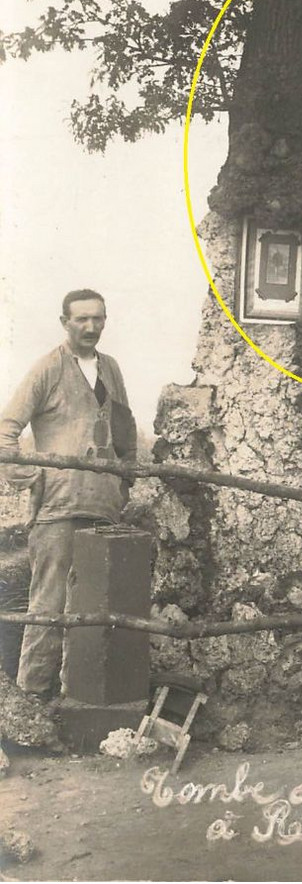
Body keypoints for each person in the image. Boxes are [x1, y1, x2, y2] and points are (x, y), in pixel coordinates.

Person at [0, 289, 137, 699]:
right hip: (58, 510)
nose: (91, 327)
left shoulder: (110, 369)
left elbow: (124, 430)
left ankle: (83, 702)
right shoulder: (47, 369)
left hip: (104, 510)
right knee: (48, 607)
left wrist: (123, 482)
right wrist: (30, 475)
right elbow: (7, 430)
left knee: (99, 610)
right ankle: (31, 704)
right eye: (81, 319)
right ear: (65, 323)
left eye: (98, 318)